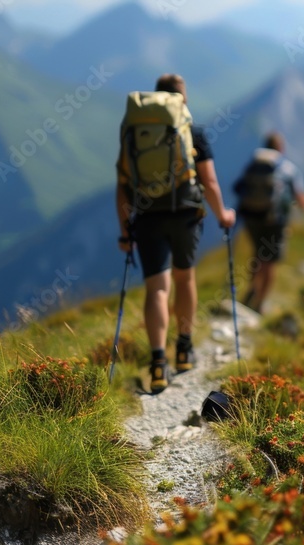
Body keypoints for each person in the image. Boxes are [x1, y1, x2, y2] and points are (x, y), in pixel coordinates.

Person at [116, 73, 236, 394]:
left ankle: (158, 364)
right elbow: (209, 183)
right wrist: (223, 214)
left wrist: (125, 231)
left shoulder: (133, 132)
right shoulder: (193, 132)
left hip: (147, 216)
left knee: (157, 288)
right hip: (185, 214)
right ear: (182, 99)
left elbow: (123, 185)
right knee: (185, 279)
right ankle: (184, 350)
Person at [233, 132, 304, 313]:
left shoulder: (254, 164)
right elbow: (301, 198)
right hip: (273, 219)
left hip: (251, 216)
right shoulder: (287, 168)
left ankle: (252, 288)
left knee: (257, 253)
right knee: (269, 260)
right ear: (280, 148)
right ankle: (260, 303)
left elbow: (238, 187)